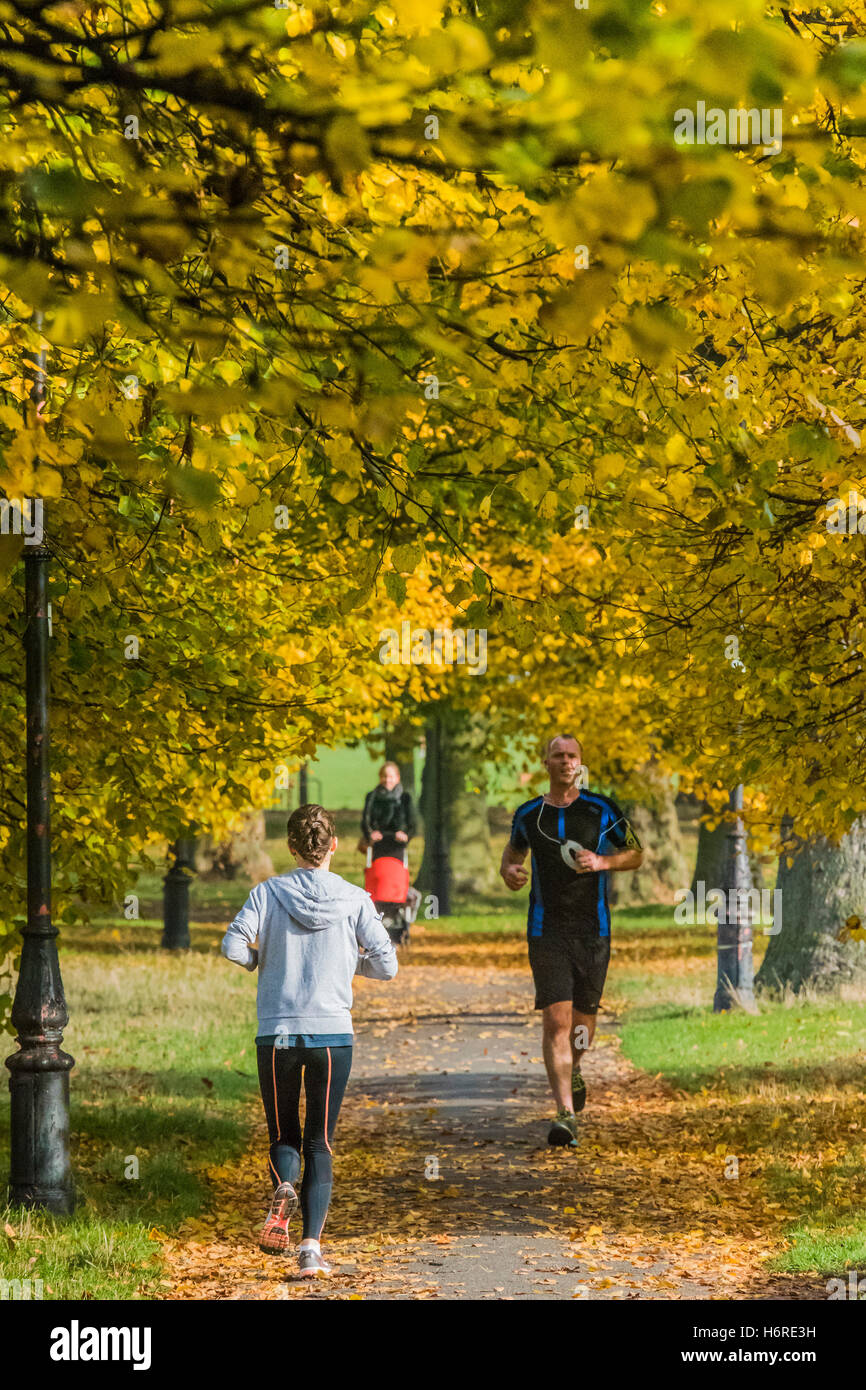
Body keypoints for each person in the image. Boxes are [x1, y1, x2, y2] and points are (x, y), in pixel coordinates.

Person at [221, 803, 397, 1276]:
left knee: (284, 1134)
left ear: (292, 847)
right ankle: (310, 1250)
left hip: (277, 1033)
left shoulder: (267, 893)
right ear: (333, 845)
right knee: (321, 1141)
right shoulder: (356, 898)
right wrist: (349, 962)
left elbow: (232, 945)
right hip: (332, 1037)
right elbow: (387, 964)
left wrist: (264, 960)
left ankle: (286, 1186)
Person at [500, 735, 643, 1149]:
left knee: (583, 1024)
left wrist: (603, 861)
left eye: (572, 756)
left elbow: (635, 853)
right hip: (546, 930)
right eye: (558, 756)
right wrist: (510, 872)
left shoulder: (601, 809)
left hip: (593, 930)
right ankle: (564, 1113)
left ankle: (574, 1068)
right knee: (556, 1021)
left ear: (580, 763)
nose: (565, 762)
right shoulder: (529, 814)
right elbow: (512, 856)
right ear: (546, 762)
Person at [359, 761, 417, 861]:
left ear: (398, 778)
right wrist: (370, 834)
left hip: (398, 846)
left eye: (391, 777)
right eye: (384, 776)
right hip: (377, 845)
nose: (387, 780)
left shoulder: (405, 798)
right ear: (380, 777)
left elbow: (413, 823)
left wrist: (406, 835)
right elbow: (365, 819)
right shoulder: (371, 797)